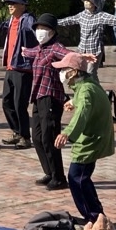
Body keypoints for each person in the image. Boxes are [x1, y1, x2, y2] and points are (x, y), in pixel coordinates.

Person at [54, 52, 112, 224]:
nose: (62, 72)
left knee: (77, 178)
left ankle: (93, 218)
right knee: (81, 178)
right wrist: (73, 101)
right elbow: (85, 100)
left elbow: (82, 113)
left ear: (74, 72)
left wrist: (67, 133)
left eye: (64, 69)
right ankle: (96, 213)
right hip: (93, 137)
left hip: (91, 140)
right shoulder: (86, 85)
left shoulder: (85, 90)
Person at [22, 13, 72, 190]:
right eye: (38, 28)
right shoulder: (40, 48)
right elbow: (29, 52)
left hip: (51, 98)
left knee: (49, 137)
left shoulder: (55, 48)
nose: (40, 31)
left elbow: (70, 56)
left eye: (44, 28)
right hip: (37, 97)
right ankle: (49, 172)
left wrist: (82, 58)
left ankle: (59, 177)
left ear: (52, 32)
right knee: (36, 137)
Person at [0, 0, 38, 147]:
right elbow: (5, 26)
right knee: (7, 102)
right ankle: (17, 132)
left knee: (19, 103)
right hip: (11, 67)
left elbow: (36, 29)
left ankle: (25, 137)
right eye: (9, 3)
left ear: (23, 5)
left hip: (23, 68)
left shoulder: (28, 19)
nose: (10, 6)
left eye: (13, 3)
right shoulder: (11, 20)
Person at [57, 0, 116, 77]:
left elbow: (113, 19)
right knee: (81, 73)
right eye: (85, 1)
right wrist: (55, 21)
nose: (86, 2)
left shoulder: (100, 15)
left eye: (88, 1)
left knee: (91, 74)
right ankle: (91, 89)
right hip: (82, 50)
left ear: (94, 3)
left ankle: (96, 90)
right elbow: (69, 20)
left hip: (94, 50)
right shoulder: (82, 15)